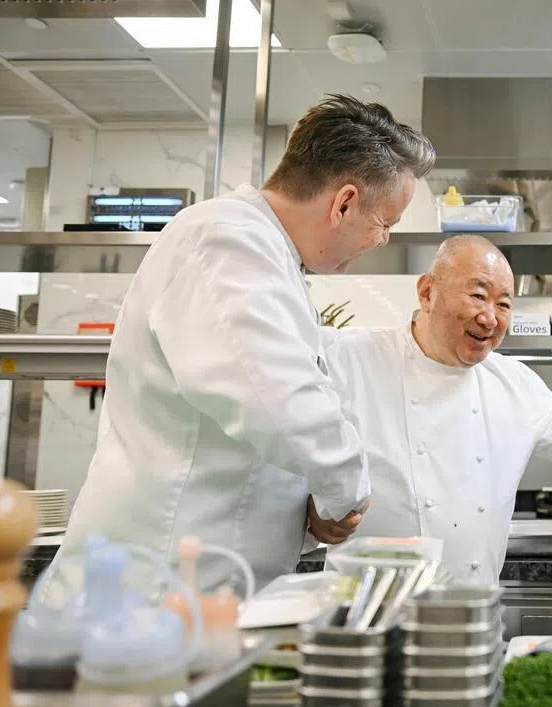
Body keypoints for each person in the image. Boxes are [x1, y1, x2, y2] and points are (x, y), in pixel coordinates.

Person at [60, 95, 436, 589]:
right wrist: (345, 495)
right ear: (343, 202)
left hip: (204, 586)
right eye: (385, 223)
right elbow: (282, 400)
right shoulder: (224, 239)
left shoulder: (269, 256)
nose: (384, 239)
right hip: (151, 590)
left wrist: (315, 503)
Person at [322, 235, 552, 584]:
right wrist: (312, 506)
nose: (490, 318)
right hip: (363, 617)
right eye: (478, 295)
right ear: (427, 292)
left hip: (469, 615)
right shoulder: (348, 358)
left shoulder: (512, 383)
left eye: (504, 304)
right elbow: (281, 436)